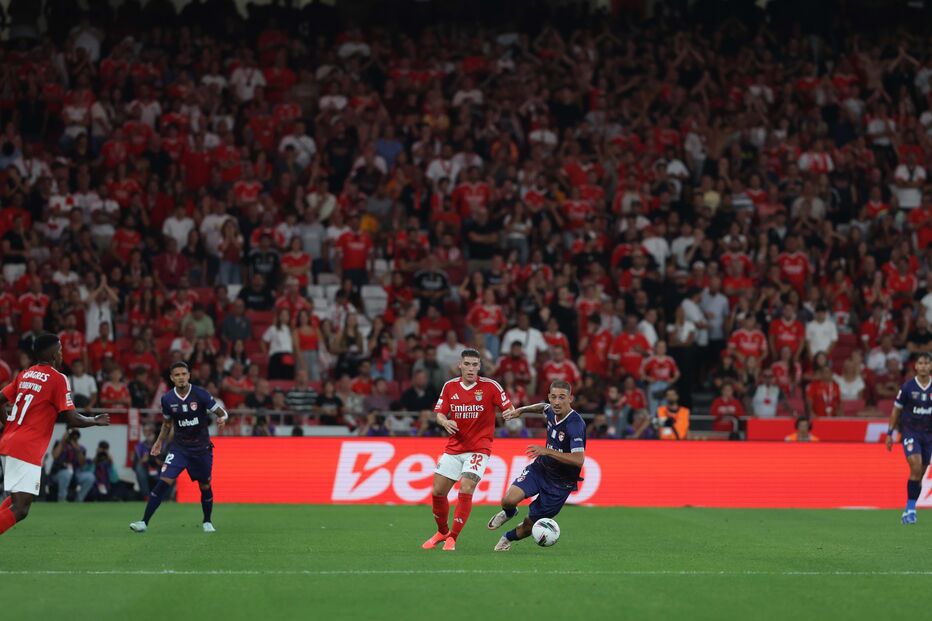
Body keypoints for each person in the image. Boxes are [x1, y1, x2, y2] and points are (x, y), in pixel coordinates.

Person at [0, 333, 109, 537]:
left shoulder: (25, 374)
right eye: (59, 351)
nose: (61, 355)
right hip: (26, 447)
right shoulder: (58, 379)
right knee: (21, 509)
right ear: (51, 354)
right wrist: (95, 420)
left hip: (10, 443)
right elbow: (71, 418)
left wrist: (9, 425)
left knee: (18, 500)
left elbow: (0, 399)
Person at [422, 349, 513, 552]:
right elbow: (439, 414)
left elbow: (508, 407)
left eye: (475, 365)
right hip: (455, 447)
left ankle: (453, 537)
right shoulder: (449, 386)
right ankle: (442, 531)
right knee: (437, 492)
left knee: (467, 486)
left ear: (479, 366)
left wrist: (509, 413)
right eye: (468, 364)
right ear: (460, 365)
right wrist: (445, 421)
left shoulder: (490, 387)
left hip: (479, 448)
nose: (471, 368)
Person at [486, 380, 586, 552]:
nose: (556, 401)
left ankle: (506, 538)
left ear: (571, 398)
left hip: (560, 484)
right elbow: (542, 407)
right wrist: (521, 411)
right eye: (553, 397)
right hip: (541, 469)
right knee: (508, 500)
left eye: (562, 397)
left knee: (528, 526)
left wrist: (547, 451)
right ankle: (510, 513)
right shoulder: (550, 410)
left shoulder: (575, 425)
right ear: (549, 397)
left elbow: (579, 459)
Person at [130, 362, 228, 533]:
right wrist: (159, 442)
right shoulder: (167, 399)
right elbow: (167, 424)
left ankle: (207, 521)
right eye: (177, 375)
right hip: (179, 449)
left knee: (205, 485)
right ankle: (143, 522)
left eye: (184, 374)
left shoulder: (201, 394)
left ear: (189, 375)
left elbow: (222, 412)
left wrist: (223, 419)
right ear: (172, 378)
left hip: (201, 449)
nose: (181, 377)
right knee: (164, 481)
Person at [886, 351, 932, 525]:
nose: (923, 366)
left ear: (931, 366)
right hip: (911, 432)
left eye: (926, 363)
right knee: (915, 466)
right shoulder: (907, 387)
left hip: (929, 435)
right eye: (920, 363)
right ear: (915, 366)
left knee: (919, 474)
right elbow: (896, 409)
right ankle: (911, 510)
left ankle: (909, 506)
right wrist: (890, 433)